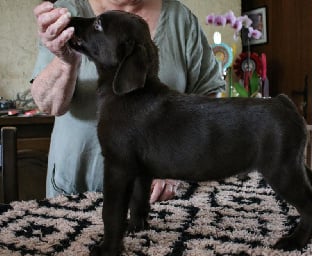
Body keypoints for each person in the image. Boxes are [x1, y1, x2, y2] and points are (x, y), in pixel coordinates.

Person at [31, 0, 225, 202]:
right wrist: (66, 61)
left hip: (155, 199)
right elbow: (48, 104)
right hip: (75, 189)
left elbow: (211, 101)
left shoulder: (180, 19)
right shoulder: (68, 11)